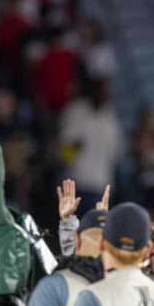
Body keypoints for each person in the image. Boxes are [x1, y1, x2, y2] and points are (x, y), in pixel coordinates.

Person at [60, 79, 123, 211]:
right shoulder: (76, 112)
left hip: (101, 184)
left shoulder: (109, 117)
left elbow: (115, 152)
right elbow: (65, 149)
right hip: (78, 183)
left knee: (97, 229)